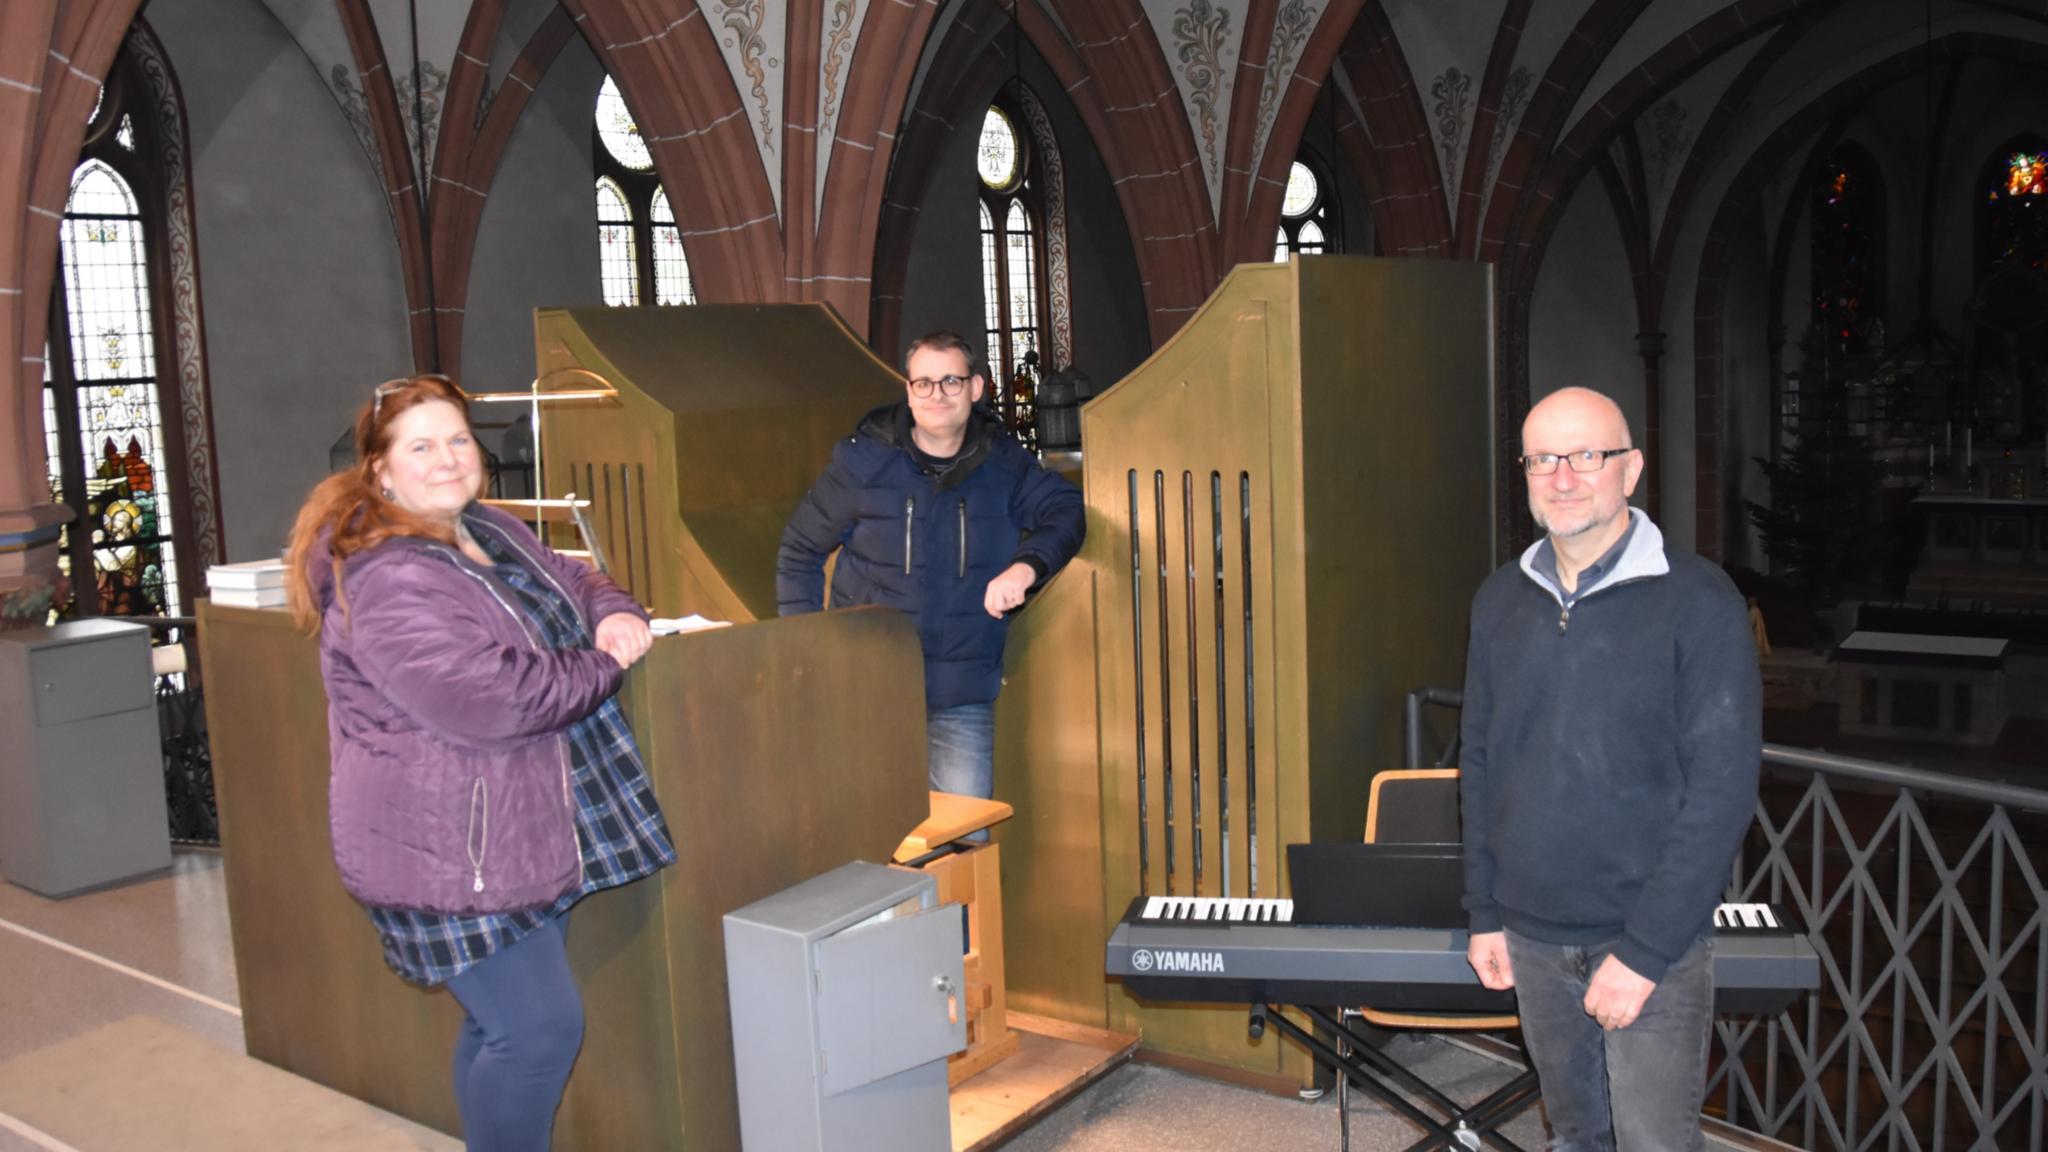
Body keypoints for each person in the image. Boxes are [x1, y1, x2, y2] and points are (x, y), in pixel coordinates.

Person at [284, 375, 675, 1152]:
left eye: (458, 439)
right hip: (448, 846)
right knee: (536, 1036)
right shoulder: (390, 574)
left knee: (501, 1027)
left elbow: (572, 575)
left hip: (512, 825)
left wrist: (616, 609)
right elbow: (490, 699)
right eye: (420, 446)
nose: (447, 459)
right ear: (380, 470)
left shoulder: (484, 527)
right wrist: (604, 665)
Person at [1458, 387, 1761, 1151]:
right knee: (1576, 1137)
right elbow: (1482, 761)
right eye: (1542, 459)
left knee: (1654, 1144)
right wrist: (1484, 910)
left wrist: (1646, 950)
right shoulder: (1499, 600)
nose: (1563, 476)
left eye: (1587, 456)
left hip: (1648, 938)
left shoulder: (1699, 601)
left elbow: (1721, 788)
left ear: (1630, 470)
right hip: (1529, 933)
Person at [776, 331, 1086, 800]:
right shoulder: (865, 461)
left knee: (964, 845)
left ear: (976, 388)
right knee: (875, 842)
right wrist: (811, 652)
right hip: (867, 687)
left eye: (950, 382)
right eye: (923, 383)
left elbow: (1067, 509)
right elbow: (799, 550)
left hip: (958, 695)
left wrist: (1026, 567)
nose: (936, 395)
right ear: (908, 389)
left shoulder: (1003, 464)